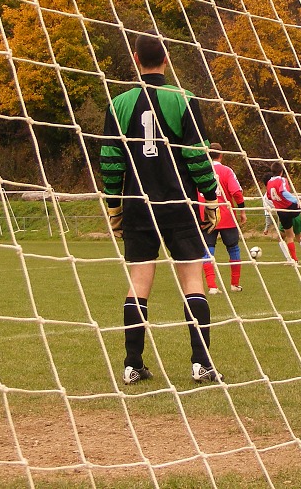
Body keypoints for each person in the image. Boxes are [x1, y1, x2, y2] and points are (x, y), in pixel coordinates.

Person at [101, 34, 222, 386]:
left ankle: (131, 364)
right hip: (178, 205)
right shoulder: (183, 99)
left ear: (135, 58)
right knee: (192, 281)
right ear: (166, 58)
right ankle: (201, 363)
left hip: (138, 206)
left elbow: (111, 162)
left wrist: (114, 206)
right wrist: (211, 197)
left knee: (139, 283)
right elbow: (197, 155)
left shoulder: (118, 104)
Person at [200, 143, 247, 294]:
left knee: (208, 250)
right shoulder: (226, 171)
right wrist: (242, 211)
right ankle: (234, 284)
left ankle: (212, 286)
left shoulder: (200, 170)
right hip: (226, 215)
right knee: (233, 248)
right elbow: (237, 192)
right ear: (221, 155)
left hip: (207, 215)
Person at [265, 161, 301, 265]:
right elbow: (283, 192)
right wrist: (299, 198)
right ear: (281, 172)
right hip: (289, 208)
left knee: (289, 236)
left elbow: (269, 196)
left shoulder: (269, 183)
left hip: (281, 212)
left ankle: (294, 259)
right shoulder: (282, 180)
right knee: (298, 205)